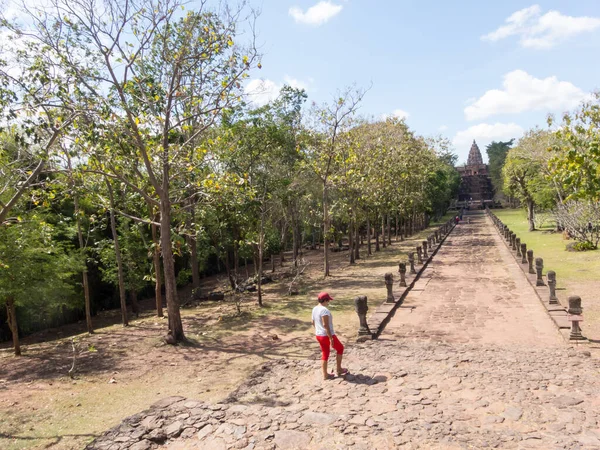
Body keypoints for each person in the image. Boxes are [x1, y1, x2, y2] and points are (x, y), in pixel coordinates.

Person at [312, 292, 347, 380]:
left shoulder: (315, 309)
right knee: (340, 348)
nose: (328, 302)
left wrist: (318, 330)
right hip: (326, 335)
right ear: (325, 300)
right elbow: (325, 325)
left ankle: (325, 374)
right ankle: (339, 369)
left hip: (318, 334)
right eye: (328, 300)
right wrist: (330, 338)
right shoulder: (324, 310)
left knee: (325, 353)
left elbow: (313, 322)